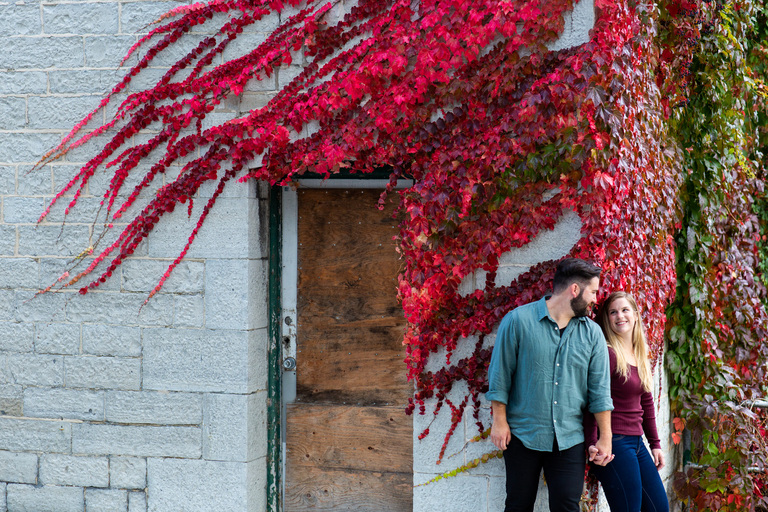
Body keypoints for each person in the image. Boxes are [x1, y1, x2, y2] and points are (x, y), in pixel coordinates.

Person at [487, 258, 615, 512]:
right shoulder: (518, 321)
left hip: (569, 439)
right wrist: (499, 421)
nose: (595, 299)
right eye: (592, 291)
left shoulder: (592, 333)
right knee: (517, 506)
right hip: (522, 435)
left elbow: (600, 391)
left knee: (567, 507)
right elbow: (500, 375)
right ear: (575, 290)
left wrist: (606, 437)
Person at [585, 291, 669, 512]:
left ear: (635, 315)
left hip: (636, 442)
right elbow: (593, 399)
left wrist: (655, 444)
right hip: (614, 444)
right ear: (607, 319)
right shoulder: (608, 354)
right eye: (613, 312)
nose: (619, 316)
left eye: (624, 310)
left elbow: (646, 401)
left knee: (659, 508)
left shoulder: (639, 352)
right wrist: (592, 443)